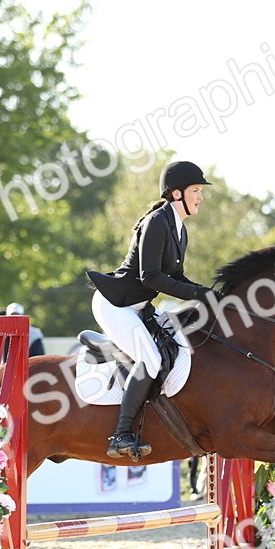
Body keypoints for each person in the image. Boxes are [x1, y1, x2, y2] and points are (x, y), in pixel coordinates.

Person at [87, 160, 215, 459]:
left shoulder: (180, 229)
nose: (200, 197)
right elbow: (151, 277)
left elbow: (177, 279)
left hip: (139, 307)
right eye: (196, 190)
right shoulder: (157, 220)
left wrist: (209, 295)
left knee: (176, 343)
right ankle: (120, 434)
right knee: (151, 357)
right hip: (115, 304)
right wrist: (198, 293)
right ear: (176, 194)